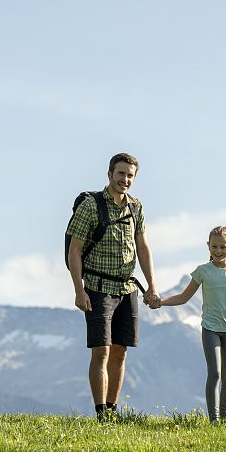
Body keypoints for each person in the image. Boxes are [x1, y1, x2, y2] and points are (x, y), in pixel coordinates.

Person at [67, 153, 160, 421]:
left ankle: (112, 410)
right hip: (97, 286)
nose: (125, 180)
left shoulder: (136, 207)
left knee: (120, 351)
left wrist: (151, 285)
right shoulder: (91, 206)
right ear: (110, 174)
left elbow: (142, 247)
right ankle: (100, 414)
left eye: (130, 175)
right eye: (121, 174)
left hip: (127, 288)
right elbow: (75, 249)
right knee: (102, 350)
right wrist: (78, 289)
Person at [151, 226, 226, 424]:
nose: (218, 251)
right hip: (210, 328)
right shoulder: (202, 271)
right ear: (208, 246)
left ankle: (224, 417)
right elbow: (184, 297)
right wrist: (161, 302)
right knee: (215, 373)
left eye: (223, 246)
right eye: (214, 246)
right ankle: (213, 419)